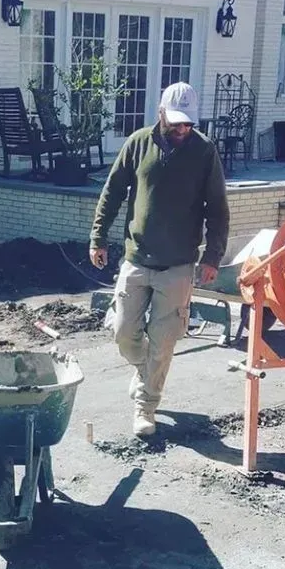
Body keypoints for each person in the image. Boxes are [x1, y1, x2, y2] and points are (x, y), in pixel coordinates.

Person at [90, 82, 230, 438]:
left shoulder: (204, 152)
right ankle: (142, 368)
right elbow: (112, 192)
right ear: (161, 113)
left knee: (164, 339)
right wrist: (98, 237)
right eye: (176, 122)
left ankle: (145, 406)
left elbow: (217, 209)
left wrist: (212, 256)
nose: (182, 129)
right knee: (124, 334)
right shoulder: (138, 143)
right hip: (137, 258)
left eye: (188, 124)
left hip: (179, 265)